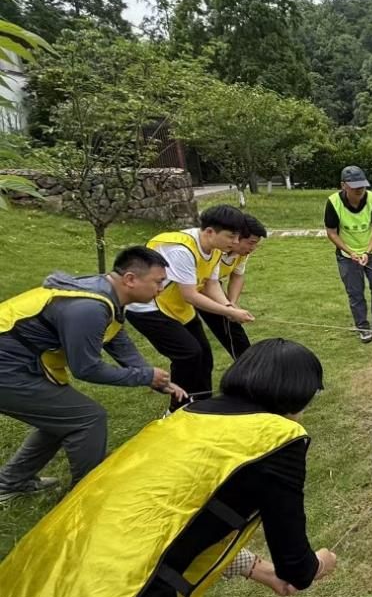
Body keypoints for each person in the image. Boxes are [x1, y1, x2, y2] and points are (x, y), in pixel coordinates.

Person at [0, 338, 339, 597]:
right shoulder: (277, 439)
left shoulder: (186, 419)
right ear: (298, 393)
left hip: (22, 591)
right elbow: (296, 566)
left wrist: (257, 569)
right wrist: (318, 564)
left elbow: (171, 517)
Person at [0, 247, 187, 502]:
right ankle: (86, 498)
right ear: (130, 279)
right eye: (158, 282)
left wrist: (155, 379)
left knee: (64, 417)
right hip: (7, 370)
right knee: (87, 418)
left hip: (20, 364)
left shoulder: (105, 294)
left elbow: (117, 339)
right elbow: (86, 368)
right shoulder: (89, 308)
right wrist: (143, 377)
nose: (161, 289)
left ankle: (10, 483)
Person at [126, 205, 254, 411]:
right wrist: (230, 312)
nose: (236, 242)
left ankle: (201, 406)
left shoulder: (215, 249)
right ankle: (177, 409)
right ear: (210, 231)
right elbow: (191, 295)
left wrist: (228, 305)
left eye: (238, 237)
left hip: (176, 307)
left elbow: (211, 284)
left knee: (204, 355)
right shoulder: (182, 251)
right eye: (231, 236)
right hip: (147, 308)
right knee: (188, 354)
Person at [324, 165, 372, 343]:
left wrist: (367, 251)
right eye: (355, 187)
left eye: (362, 185)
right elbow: (332, 233)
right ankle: (362, 326)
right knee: (355, 292)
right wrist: (350, 252)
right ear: (343, 185)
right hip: (347, 256)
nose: (360, 189)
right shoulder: (333, 202)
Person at [199, 214, 267, 359]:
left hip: (210, 286)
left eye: (256, 244)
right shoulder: (213, 249)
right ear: (236, 236)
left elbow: (237, 276)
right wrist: (228, 308)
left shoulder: (242, 253)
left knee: (231, 325)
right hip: (193, 289)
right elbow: (206, 284)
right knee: (194, 347)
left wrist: (232, 303)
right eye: (251, 243)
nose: (253, 248)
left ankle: (246, 363)